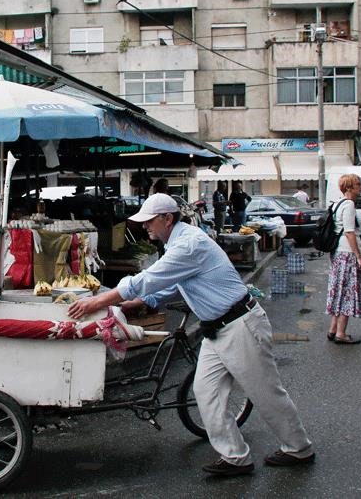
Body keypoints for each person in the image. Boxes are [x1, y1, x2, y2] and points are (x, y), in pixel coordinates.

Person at [67, 194, 314, 477]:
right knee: (206, 391)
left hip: (240, 325)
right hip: (217, 329)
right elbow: (170, 286)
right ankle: (235, 457)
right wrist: (133, 304)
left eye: (149, 221)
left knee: (265, 392)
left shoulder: (188, 244)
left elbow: (145, 281)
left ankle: (299, 448)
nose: (145, 227)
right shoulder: (177, 243)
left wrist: (98, 302)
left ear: (167, 218)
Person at [325, 174, 361, 344]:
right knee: (348, 293)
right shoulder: (349, 205)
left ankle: (333, 329)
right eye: (358, 184)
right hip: (346, 254)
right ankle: (341, 334)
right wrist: (359, 257)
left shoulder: (338, 203)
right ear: (349, 187)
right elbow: (349, 232)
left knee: (339, 291)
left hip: (337, 253)